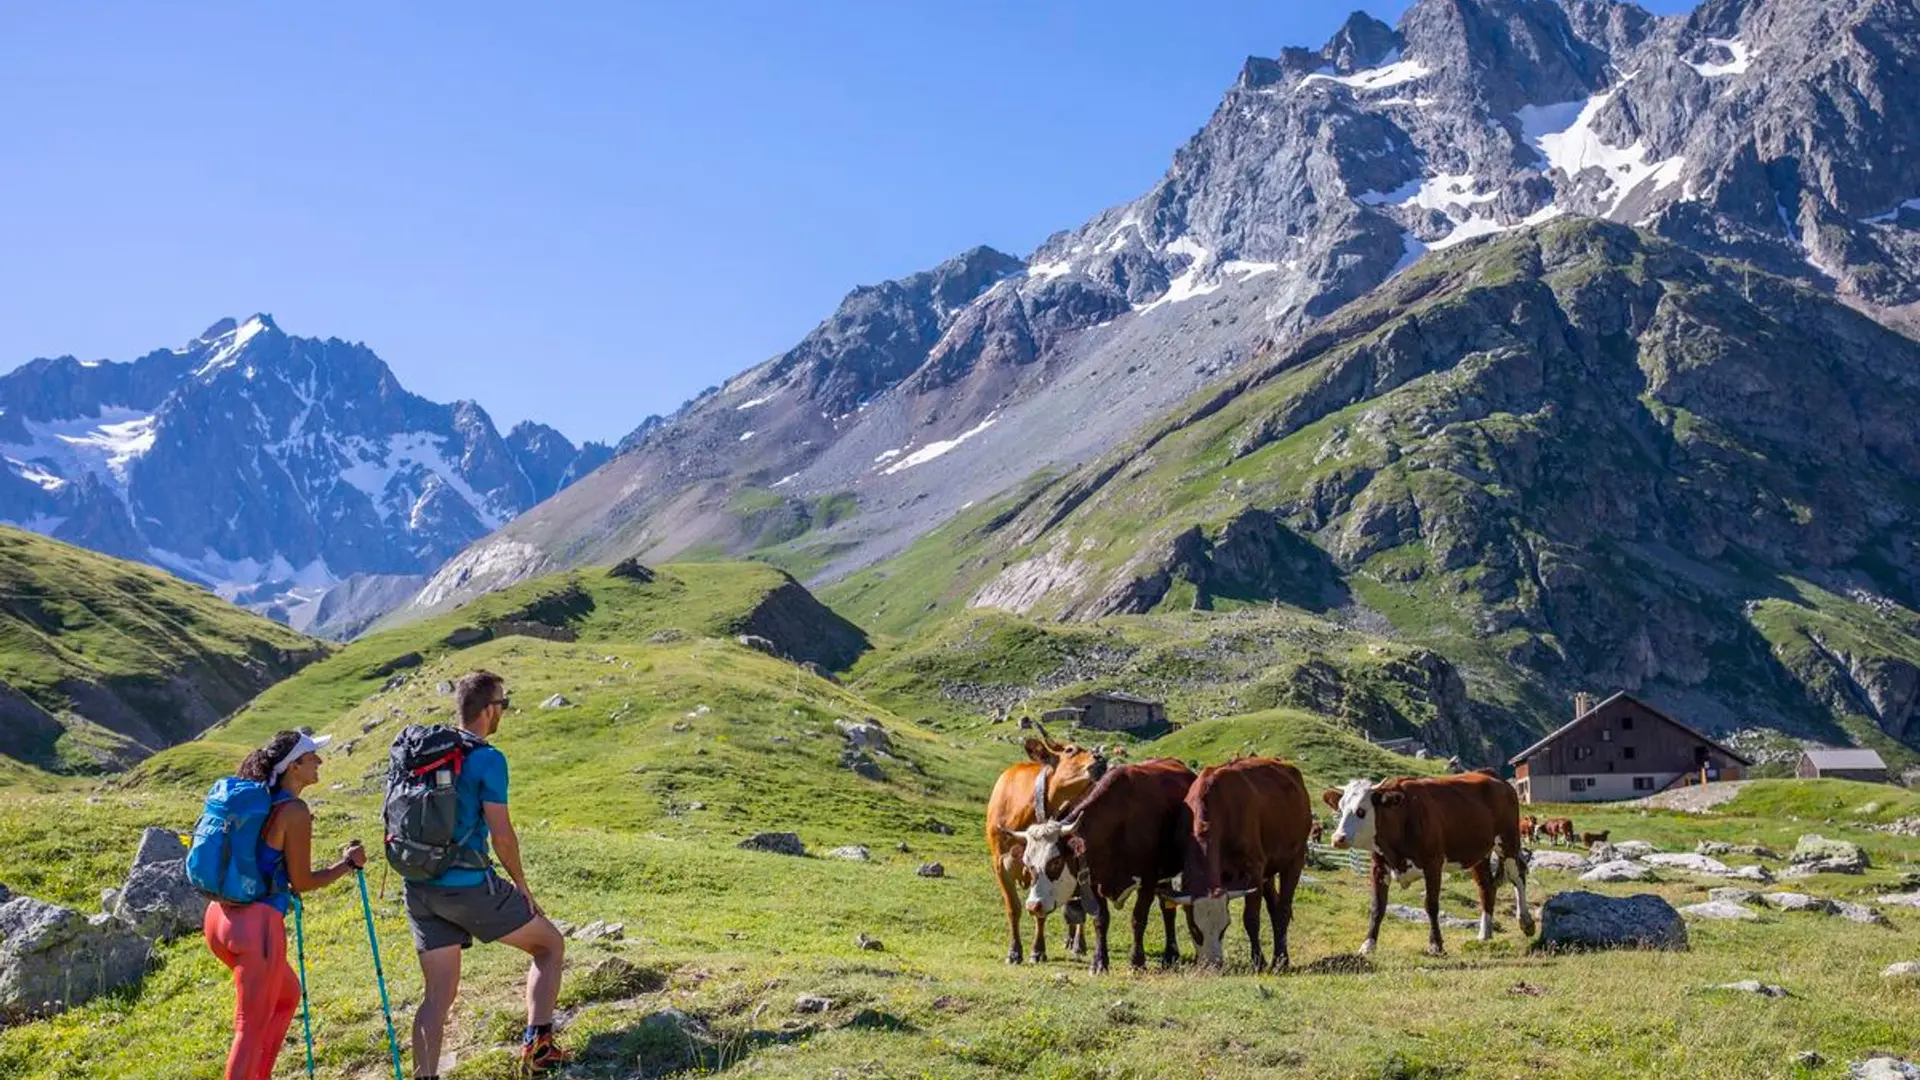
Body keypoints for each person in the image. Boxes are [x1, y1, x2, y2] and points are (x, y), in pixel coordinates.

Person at [406, 670, 568, 1078]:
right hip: (467, 885)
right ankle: (538, 1050)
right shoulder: (487, 759)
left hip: (420, 885)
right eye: (504, 704)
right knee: (549, 946)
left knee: (436, 997)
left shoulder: (426, 753)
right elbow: (502, 836)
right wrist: (521, 885)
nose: (504, 712)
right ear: (489, 709)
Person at [204, 731, 368, 1080]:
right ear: (293, 766)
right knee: (249, 1028)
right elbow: (303, 882)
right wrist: (347, 865)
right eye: (311, 756)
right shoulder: (293, 810)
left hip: (220, 916)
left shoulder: (259, 801)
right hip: (257, 928)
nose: (319, 761)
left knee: (286, 997)